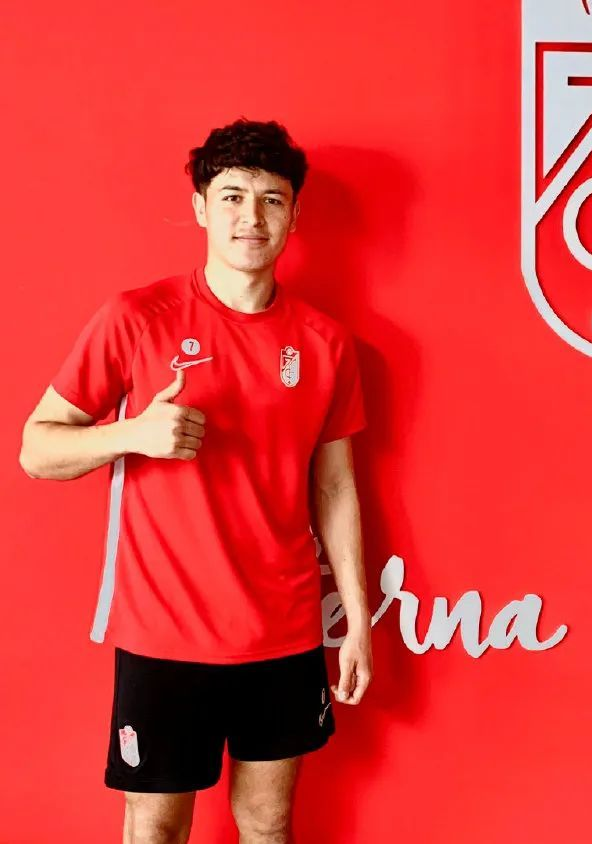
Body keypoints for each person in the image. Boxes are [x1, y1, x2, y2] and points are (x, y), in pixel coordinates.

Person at [18, 118, 373, 844]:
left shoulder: (325, 342)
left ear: (295, 215)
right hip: (164, 633)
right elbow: (35, 449)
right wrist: (131, 435)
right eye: (233, 196)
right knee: (155, 826)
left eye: (272, 200)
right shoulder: (136, 318)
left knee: (268, 822)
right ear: (201, 208)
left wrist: (358, 622)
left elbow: (335, 489)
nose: (252, 217)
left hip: (283, 632)